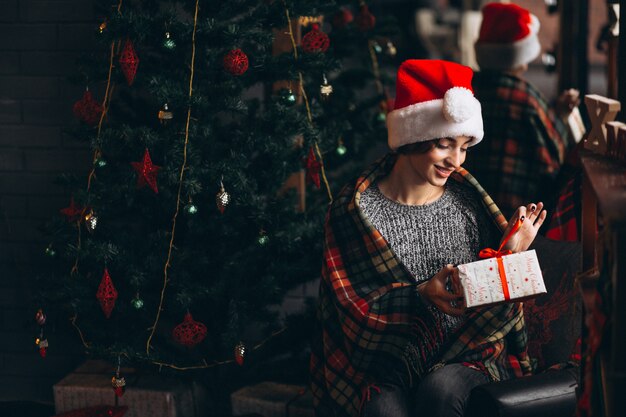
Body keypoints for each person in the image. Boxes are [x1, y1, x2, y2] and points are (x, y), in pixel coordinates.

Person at [310, 59, 547, 417]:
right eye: (444, 144)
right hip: (387, 362)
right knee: (383, 410)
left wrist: (509, 253)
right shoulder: (354, 212)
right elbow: (350, 312)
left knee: (441, 389)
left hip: (467, 354)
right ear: (413, 137)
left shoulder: (469, 204)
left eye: (465, 145)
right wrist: (419, 296)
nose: (456, 159)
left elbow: (496, 309)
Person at [464, 2, 579, 218]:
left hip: (466, 208)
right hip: (515, 215)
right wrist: (561, 118)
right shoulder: (526, 97)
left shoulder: (467, 88)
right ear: (522, 57)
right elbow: (553, 160)